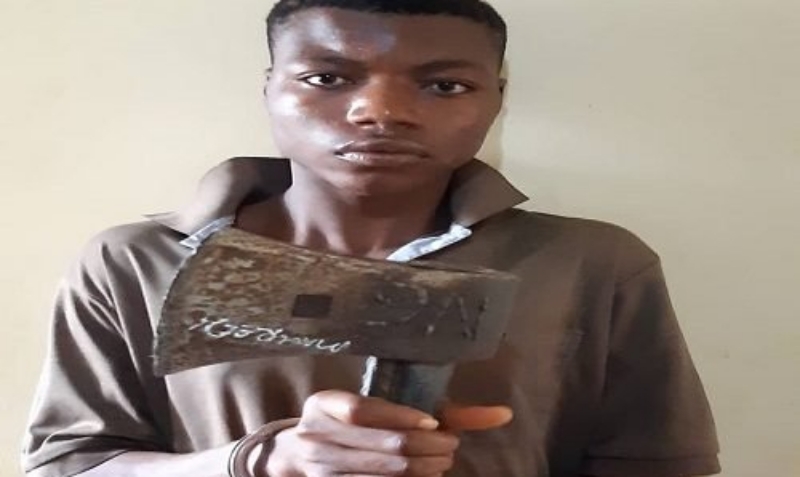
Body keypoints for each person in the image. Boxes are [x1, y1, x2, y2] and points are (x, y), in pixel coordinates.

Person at [22, 1, 721, 476]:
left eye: (444, 86)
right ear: (270, 88)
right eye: (327, 77)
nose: (379, 111)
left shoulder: (592, 264)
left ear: (496, 100)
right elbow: (70, 464)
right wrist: (261, 461)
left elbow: (660, 465)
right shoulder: (136, 261)